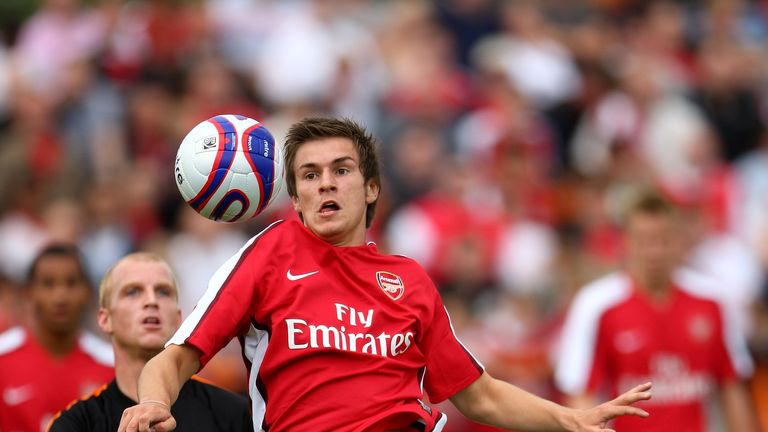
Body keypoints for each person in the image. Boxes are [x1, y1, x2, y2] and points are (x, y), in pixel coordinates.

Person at [119, 117, 652, 432]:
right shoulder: (270, 252)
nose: (326, 184)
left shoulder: (410, 278)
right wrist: (153, 403)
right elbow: (176, 357)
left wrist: (571, 420)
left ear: (371, 188)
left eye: (341, 171)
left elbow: (478, 394)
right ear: (298, 198)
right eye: (310, 174)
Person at [555, 190, 759, 432]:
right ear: (625, 241)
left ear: (679, 241)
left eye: (663, 239)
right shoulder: (596, 304)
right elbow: (579, 397)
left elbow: (732, 386)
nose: (654, 251)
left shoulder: (712, 301)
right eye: (643, 240)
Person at [47, 252, 253, 431]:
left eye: (163, 292)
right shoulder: (77, 423)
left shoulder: (234, 413)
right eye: (133, 292)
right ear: (105, 319)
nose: (151, 301)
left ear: (179, 318)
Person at [0, 243, 114, 432]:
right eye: (48, 284)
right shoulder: (3, 357)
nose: (60, 296)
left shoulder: (110, 366)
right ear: (29, 292)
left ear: (87, 291)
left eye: (71, 283)